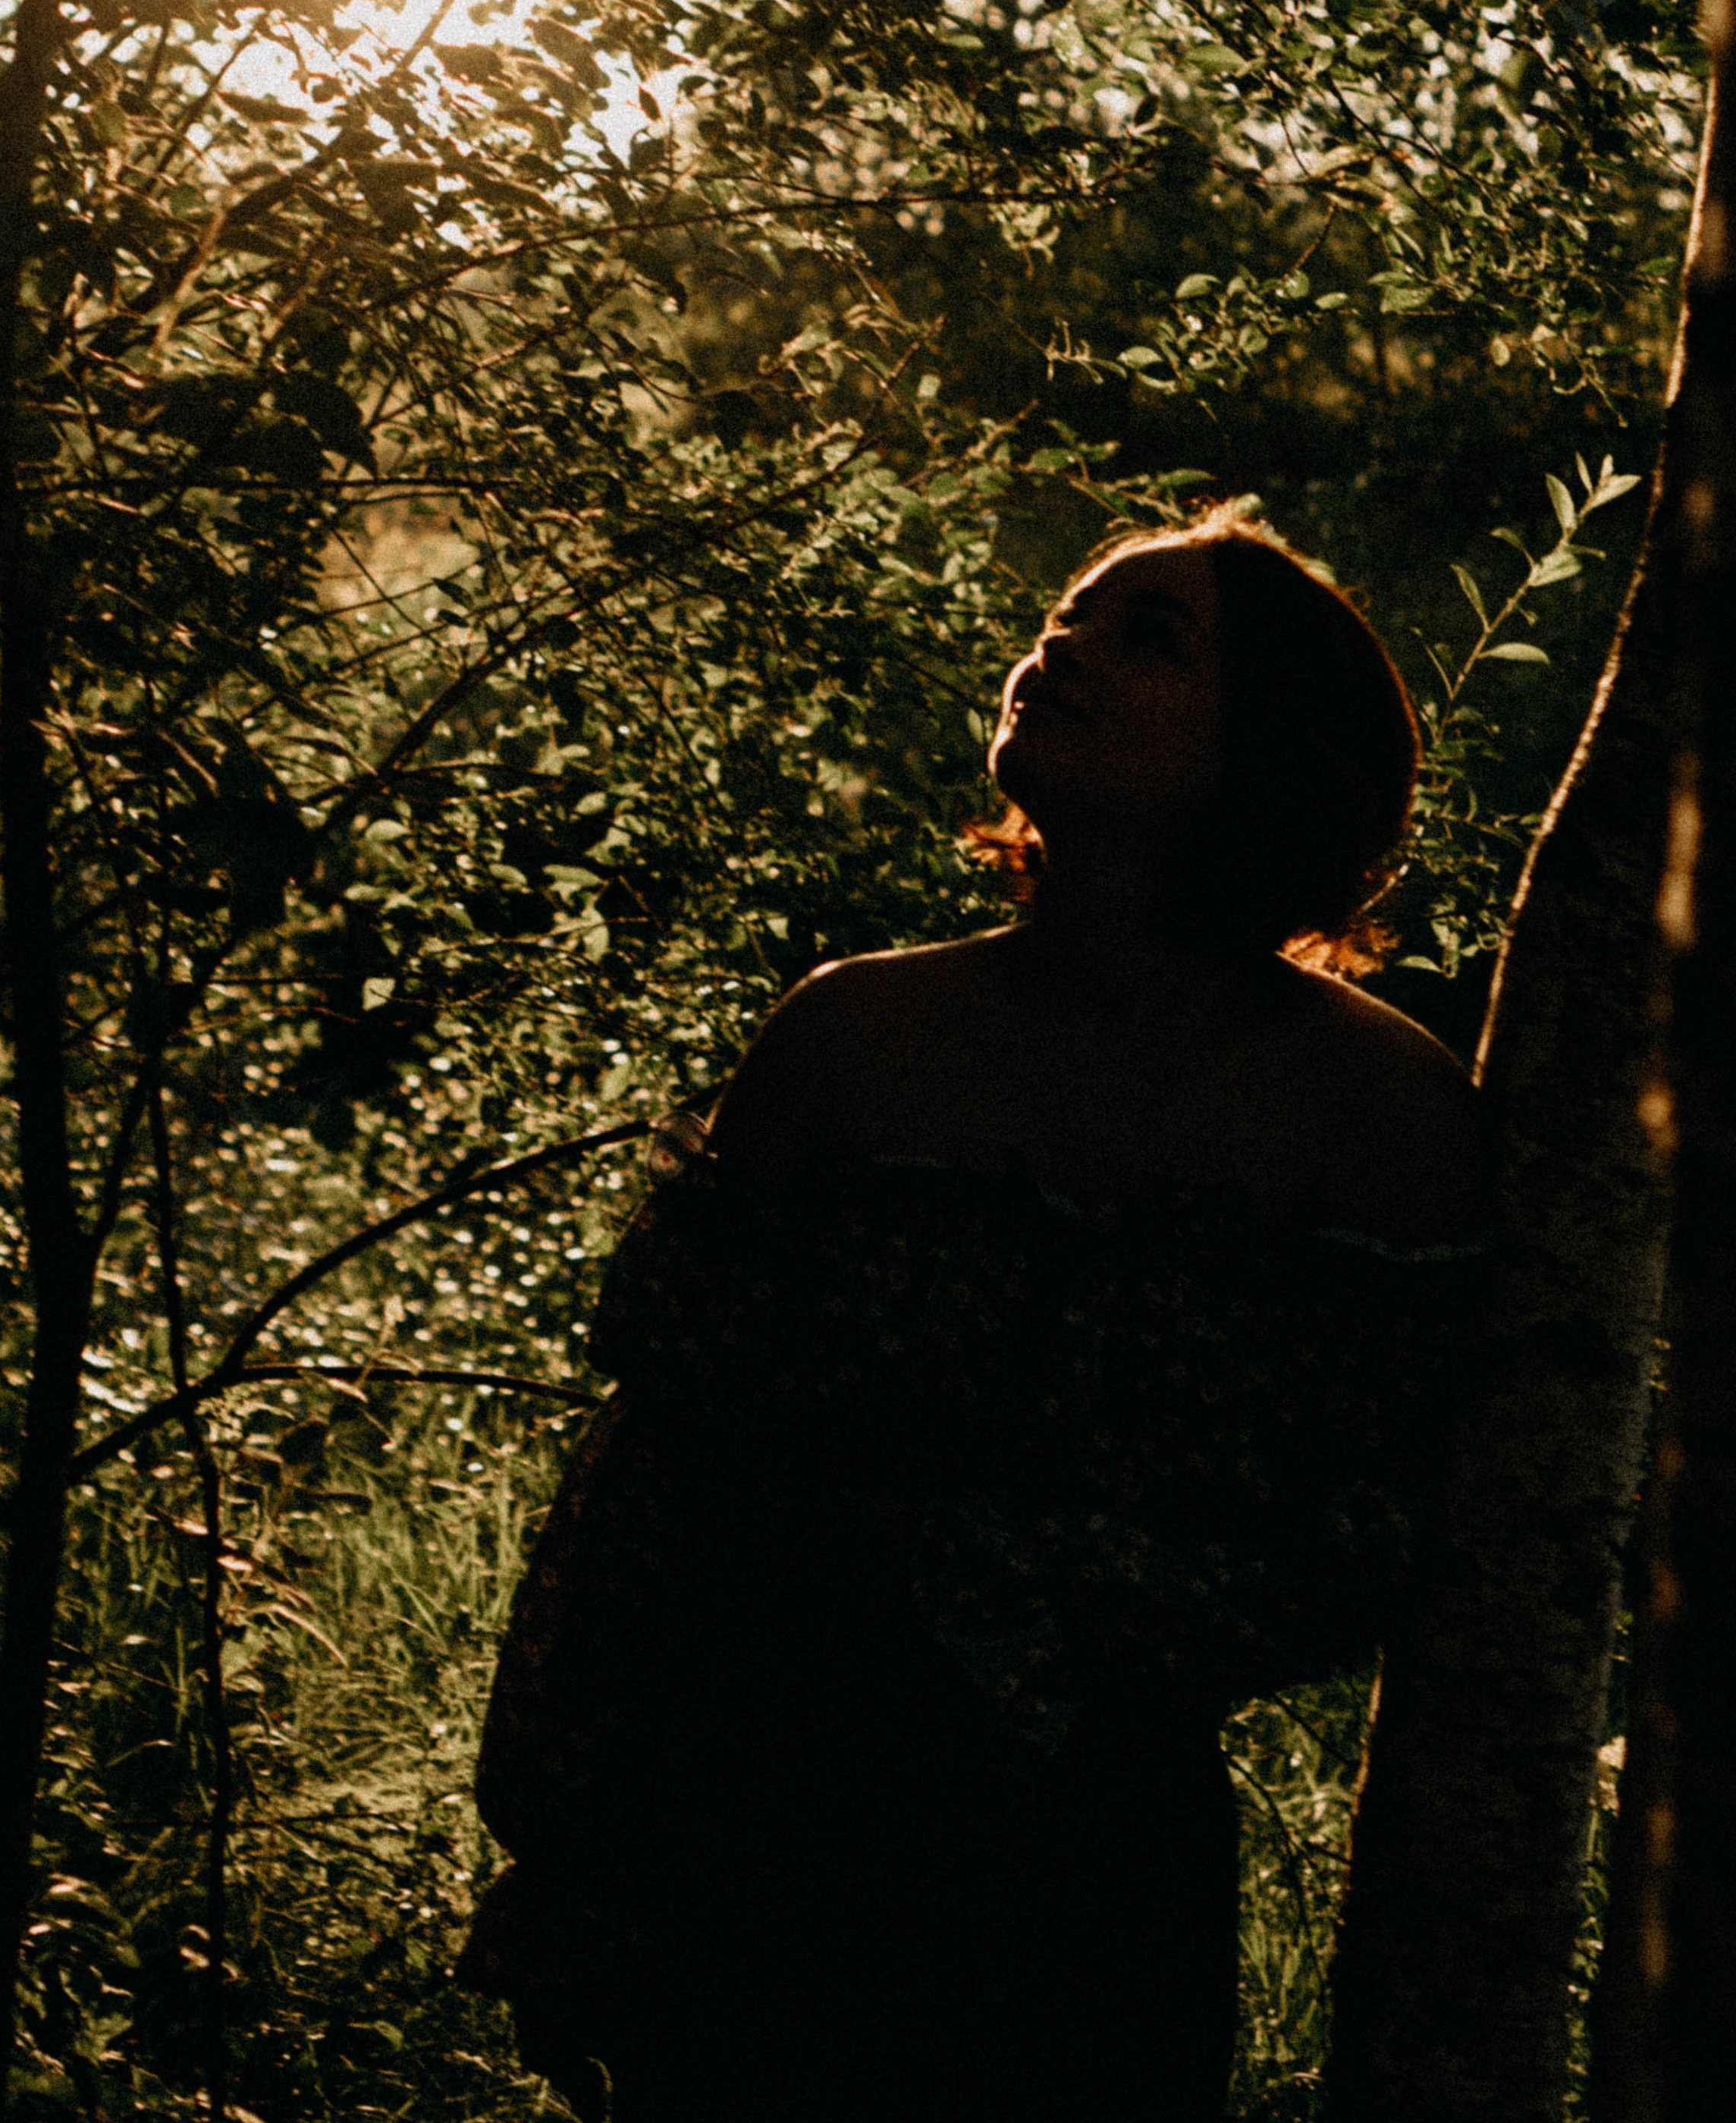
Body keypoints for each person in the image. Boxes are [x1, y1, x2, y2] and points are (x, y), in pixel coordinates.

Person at [457, 510, 1485, 2123]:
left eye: (1146, 636)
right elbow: (654, 1467)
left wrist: (1036, 1620)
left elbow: (1379, 1530)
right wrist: (571, 1833)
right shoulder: (852, 1035)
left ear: (1266, 745)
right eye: (1067, 614)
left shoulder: (1377, 1112)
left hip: (1079, 1879)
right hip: (756, 1828)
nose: (1059, 648)